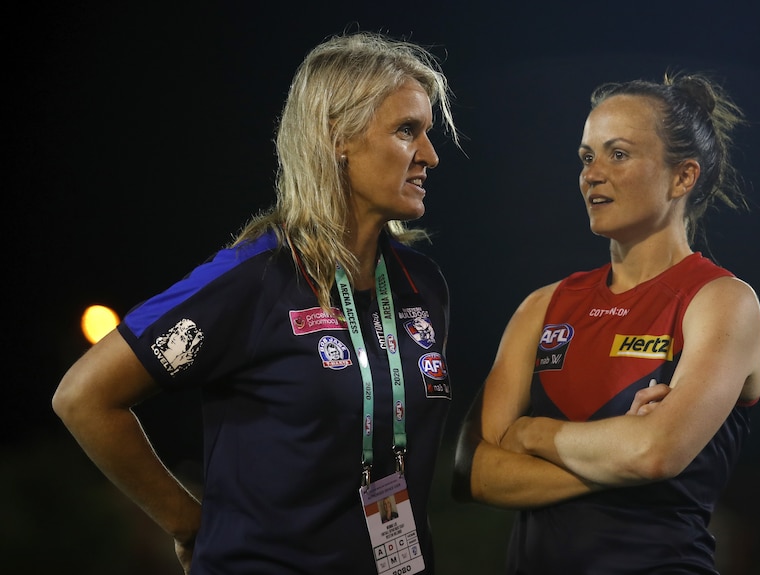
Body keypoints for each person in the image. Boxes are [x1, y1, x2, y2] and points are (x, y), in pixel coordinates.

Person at [53, 30, 459, 574]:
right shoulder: (254, 279)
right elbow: (82, 396)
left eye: (427, 132)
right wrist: (188, 522)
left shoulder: (422, 286)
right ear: (337, 134)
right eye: (407, 131)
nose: (429, 155)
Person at [452, 72, 760, 574]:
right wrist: (616, 456)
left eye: (617, 154)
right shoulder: (544, 305)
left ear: (683, 176)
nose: (592, 174)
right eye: (586, 157)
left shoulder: (722, 302)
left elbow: (654, 453)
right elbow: (476, 473)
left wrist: (531, 434)